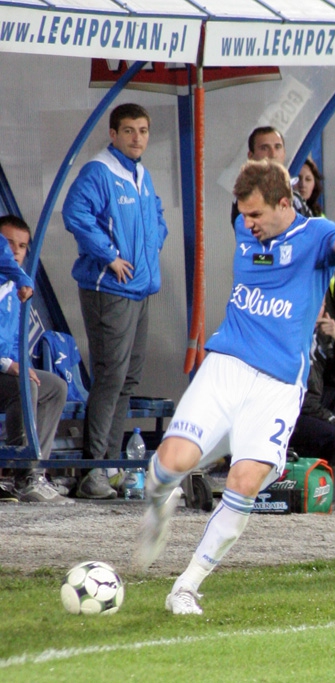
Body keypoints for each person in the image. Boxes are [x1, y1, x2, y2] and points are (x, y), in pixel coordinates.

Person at [134, 159, 335, 614]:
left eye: (255, 215)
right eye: (242, 214)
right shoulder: (246, 227)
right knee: (172, 462)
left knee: (245, 481)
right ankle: (157, 503)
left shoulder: (315, 237)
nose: (245, 224)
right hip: (228, 365)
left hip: (277, 385)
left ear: (283, 203)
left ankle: (186, 586)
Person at [63, 102, 169, 499]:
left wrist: (152, 247)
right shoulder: (100, 170)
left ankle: (109, 466)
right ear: (113, 134)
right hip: (108, 289)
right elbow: (75, 214)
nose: (137, 137)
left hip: (140, 288)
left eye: (142, 130)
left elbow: (157, 217)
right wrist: (109, 255)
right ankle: (93, 471)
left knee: (127, 380)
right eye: (128, 130)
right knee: (110, 375)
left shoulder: (141, 174)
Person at [0, 216, 68, 503]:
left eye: (22, 246)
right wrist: (8, 365)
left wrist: (21, 365)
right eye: (8, 243)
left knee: (53, 386)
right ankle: (21, 473)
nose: (15, 251)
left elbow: (14, 343)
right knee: (25, 387)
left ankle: (36, 471)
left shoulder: (16, 291)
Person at [287, 304, 335, 468]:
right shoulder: (291, 337)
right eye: (313, 302)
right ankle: (320, 477)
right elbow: (303, 401)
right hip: (288, 415)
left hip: (307, 408)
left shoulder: (317, 337)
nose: (317, 310)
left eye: (321, 305)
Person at [230, 126, 310, 225]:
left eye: (277, 147)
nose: (272, 154)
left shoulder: (296, 198)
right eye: (264, 148)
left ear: (284, 153)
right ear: (251, 156)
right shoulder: (245, 197)